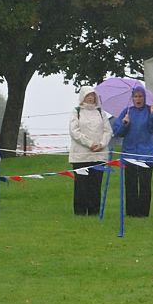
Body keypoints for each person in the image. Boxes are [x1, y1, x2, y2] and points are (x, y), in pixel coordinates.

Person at [112, 86, 153, 217]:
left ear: (145, 98)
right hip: (129, 153)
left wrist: (152, 115)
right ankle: (131, 213)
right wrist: (124, 123)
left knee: (145, 184)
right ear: (132, 98)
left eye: (140, 96)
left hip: (147, 154)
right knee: (131, 184)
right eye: (136, 96)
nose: (138, 99)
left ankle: (143, 213)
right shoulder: (127, 112)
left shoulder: (152, 110)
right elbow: (117, 132)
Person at [68, 87, 113, 216]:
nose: (90, 97)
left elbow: (107, 130)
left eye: (93, 95)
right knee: (81, 186)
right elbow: (74, 131)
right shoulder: (76, 112)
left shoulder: (100, 112)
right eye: (88, 95)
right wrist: (89, 143)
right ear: (83, 96)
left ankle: (94, 212)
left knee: (95, 185)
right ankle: (80, 212)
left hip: (99, 155)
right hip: (81, 155)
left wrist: (102, 144)